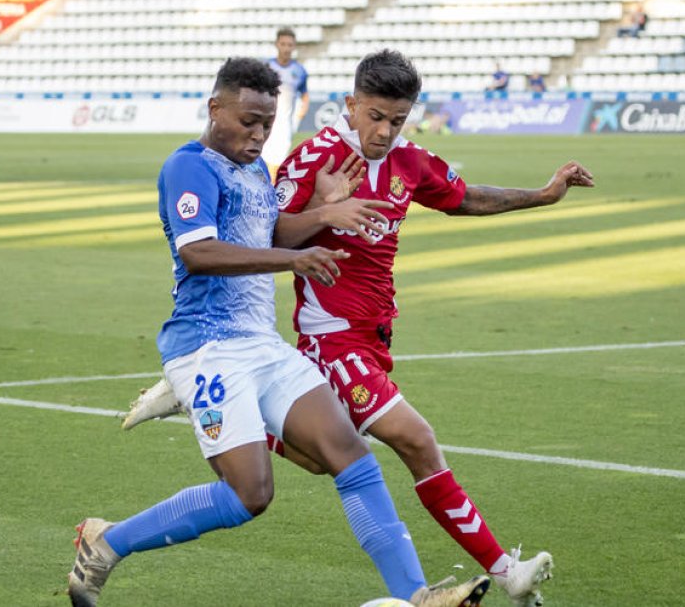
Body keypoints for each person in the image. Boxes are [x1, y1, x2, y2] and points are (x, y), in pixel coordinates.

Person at [126, 50, 593, 607]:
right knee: (415, 440)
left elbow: (463, 197)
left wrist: (542, 195)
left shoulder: (410, 161)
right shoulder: (312, 160)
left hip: (374, 336)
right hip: (329, 337)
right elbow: (266, 237)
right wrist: (326, 212)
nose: (386, 131)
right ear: (351, 105)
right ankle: (493, 571)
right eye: (375, 116)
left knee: (322, 460)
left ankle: (205, 399)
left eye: (398, 120)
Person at [69, 57, 491, 607]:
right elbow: (198, 253)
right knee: (251, 494)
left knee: (347, 452)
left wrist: (322, 211)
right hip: (206, 348)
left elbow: (275, 231)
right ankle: (106, 541)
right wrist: (290, 260)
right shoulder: (188, 167)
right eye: (248, 121)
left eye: (267, 123)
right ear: (214, 108)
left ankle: (416, 595)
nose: (259, 134)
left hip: (261, 345)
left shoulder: (253, 170)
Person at [263, 27, 309, 181]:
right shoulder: (266, 67)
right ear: (277, 44)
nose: (286, 48)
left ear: (294, 46)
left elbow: (304, 94)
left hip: (284, 126)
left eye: (290, 45)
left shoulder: (299, 71)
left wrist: (302, 111)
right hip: (266, 121)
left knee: (278, 164)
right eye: (283, 44)